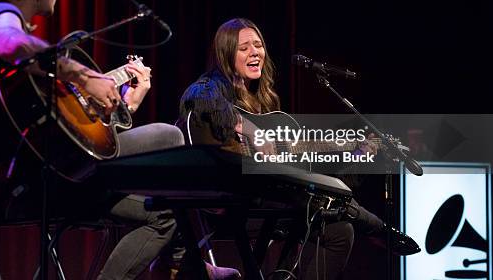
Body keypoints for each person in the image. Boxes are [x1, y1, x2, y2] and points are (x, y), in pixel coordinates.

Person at [0, 0, 237, 280]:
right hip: (36, 185)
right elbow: (10, 42)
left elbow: (70, 139)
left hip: (62, 175)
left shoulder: (31, 78)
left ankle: (180, 261)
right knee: (171, 136)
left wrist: (124, 104)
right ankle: (185, 263)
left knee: (163, 214)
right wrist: (85, 76)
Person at [179, 18, 420, 279]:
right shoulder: (210, 87)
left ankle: (366, 224)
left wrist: (354, 151)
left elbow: (299, 159)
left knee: (340, 232)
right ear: (226, 54)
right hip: (227, 206)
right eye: (244, 47)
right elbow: (196, 97)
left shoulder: (264, 105)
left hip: (265, 201)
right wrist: (249, 128)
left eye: (258, 45)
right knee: (320, 204)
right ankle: (375, 226)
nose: (254, 53)